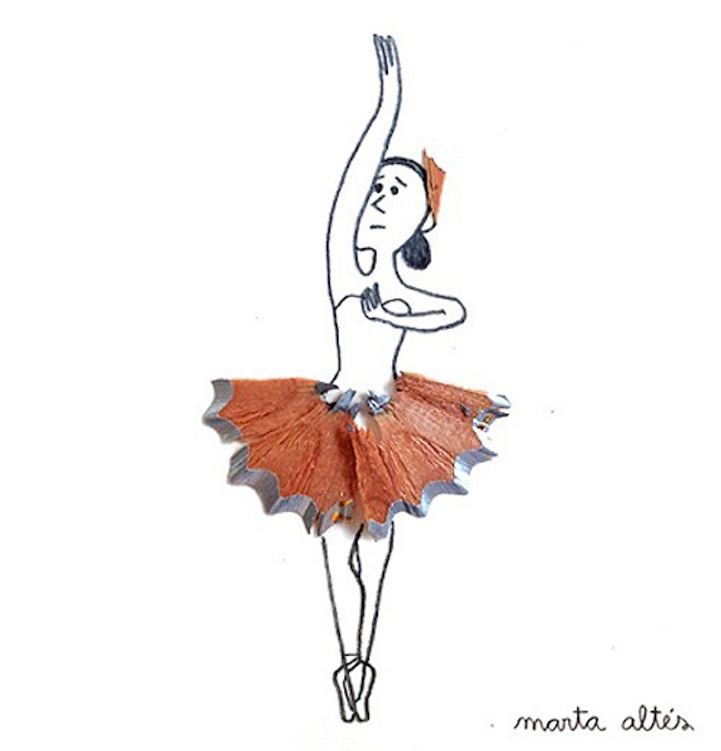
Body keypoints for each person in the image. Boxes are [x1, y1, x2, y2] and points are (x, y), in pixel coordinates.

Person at [204, 35, 509, 722]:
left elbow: (450, 310)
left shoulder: (400, 289)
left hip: (390, 417)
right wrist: (387, 104)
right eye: (379, 186)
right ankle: (347, 659)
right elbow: (350, 190)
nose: (378, 194)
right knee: (334, 535)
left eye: (396, 189)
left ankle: (363, 658)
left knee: (376, 538)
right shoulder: (348, 266)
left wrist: (398, 309)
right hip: (335, 414)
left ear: (420, 220)